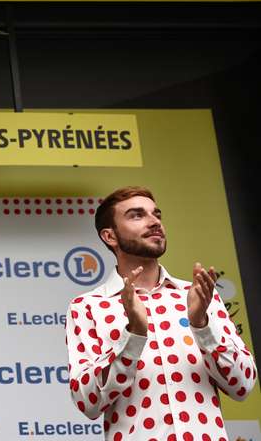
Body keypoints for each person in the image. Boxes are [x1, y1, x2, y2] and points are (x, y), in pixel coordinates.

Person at [65, 186, 257, 440]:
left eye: (156, 214)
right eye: (136, 215)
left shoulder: (198, 295)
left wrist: (201, 325)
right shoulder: (88, 306)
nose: (154, 221)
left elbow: (242, 385)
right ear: (110, 236)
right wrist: (133, 335)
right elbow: (87, 403)